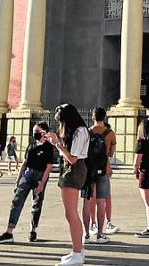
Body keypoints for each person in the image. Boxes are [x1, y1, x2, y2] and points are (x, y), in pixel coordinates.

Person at [0, 123, 56, 244]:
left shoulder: (48, 147)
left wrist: (42, 183)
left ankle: (33, 230)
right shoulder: (31, 144)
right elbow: (25, 163)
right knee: (16, 201)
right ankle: (9, 232)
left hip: (40, 175)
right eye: (33, 130)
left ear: (44, 132)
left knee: (37, 203)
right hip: (28, 174)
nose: (34, 133)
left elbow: (49, 166)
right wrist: (18, 180)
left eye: (37, 130)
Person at [49, 104, 91, 266]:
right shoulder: (78, 131)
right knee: (70, 213)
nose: (61, 126)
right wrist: (57, 140)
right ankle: (77, 250)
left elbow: (72, 158)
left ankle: (78, 253)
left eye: (62, 122)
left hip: (73, 169)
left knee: (71, 213)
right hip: (72, 168)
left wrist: (57, 144)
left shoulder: (79, 131)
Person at [81, 107, 116, 243]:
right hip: (103, 169)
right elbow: (111, 154)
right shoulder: (110, 133)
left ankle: (86, 234)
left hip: (88, 170)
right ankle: (100, 235)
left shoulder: (87, 132)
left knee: (87, 201)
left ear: (93, 117)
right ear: (105, 117)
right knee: (101, 202)